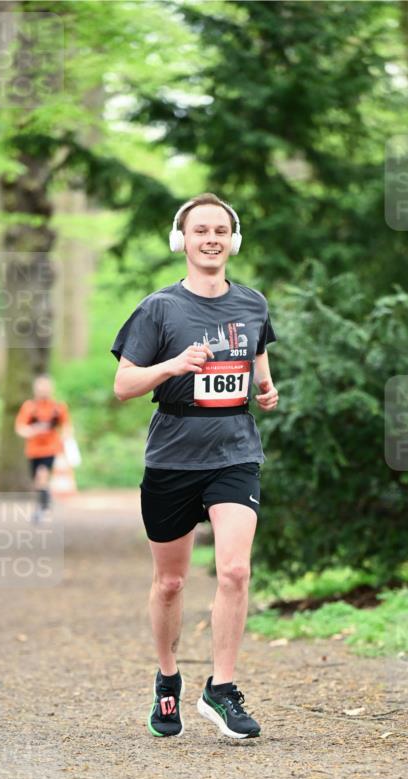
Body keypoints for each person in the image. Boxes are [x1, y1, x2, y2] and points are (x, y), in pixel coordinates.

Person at [111, 192, 279, 740]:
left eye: (220, 231)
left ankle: (222, 689)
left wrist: (264, 385)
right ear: (181, 239)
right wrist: (173, 365)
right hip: (173, 456)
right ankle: (167, 683)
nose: (211, 239)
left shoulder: (253, 302)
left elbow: (256, 353)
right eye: (200, 230)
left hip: (235, 450)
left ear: (233, 240)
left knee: (234, 570)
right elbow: (123, 386)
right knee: (170, 581)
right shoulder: (159, 308)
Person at [14, 374, 71, 523]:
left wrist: (65, 437)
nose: (43, 389)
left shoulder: (58, 408)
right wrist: (33, 430)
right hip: (33, 450)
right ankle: (43, 505)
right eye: (41, 386)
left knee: (42, 476)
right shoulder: (29, 407)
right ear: (35, 389)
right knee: (38, 481)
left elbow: (66, 426)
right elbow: (20, 427)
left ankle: (43, 510)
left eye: (46, 386)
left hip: (50, 449)